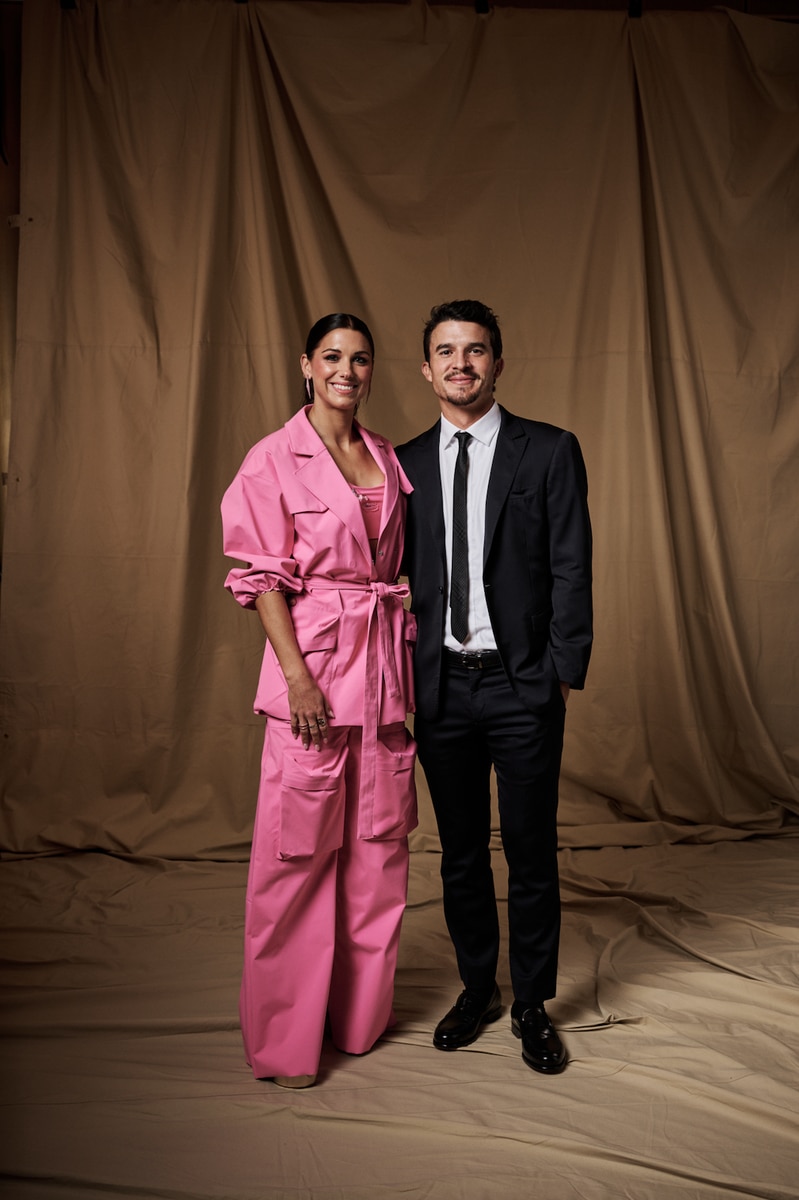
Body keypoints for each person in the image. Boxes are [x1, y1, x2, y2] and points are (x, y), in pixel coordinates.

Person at [221, 313, 418, 1089]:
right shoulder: (272, 459)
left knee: (378, 856)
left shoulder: (385, 457)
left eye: (360, 358)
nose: (347, 369)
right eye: (332, 356)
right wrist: (297, 675)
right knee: (295, 861)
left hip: (384, 677)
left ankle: (357, 1024)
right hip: (313, 673)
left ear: (372, 370)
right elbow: (260, 578)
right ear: (307, 365)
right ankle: (285, 1045)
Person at [396, 299, 592, 1075]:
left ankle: (532, 1004)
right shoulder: (404, 463)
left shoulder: (546, 451)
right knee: (459, 855)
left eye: (475, 350)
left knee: (531, 850)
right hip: (441, 687)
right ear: (426, 368)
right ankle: (477, 986)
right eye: (445, 351)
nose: (460, 364)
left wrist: (558, 673)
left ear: (497, 363)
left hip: (521, 687)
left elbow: (572, 563)